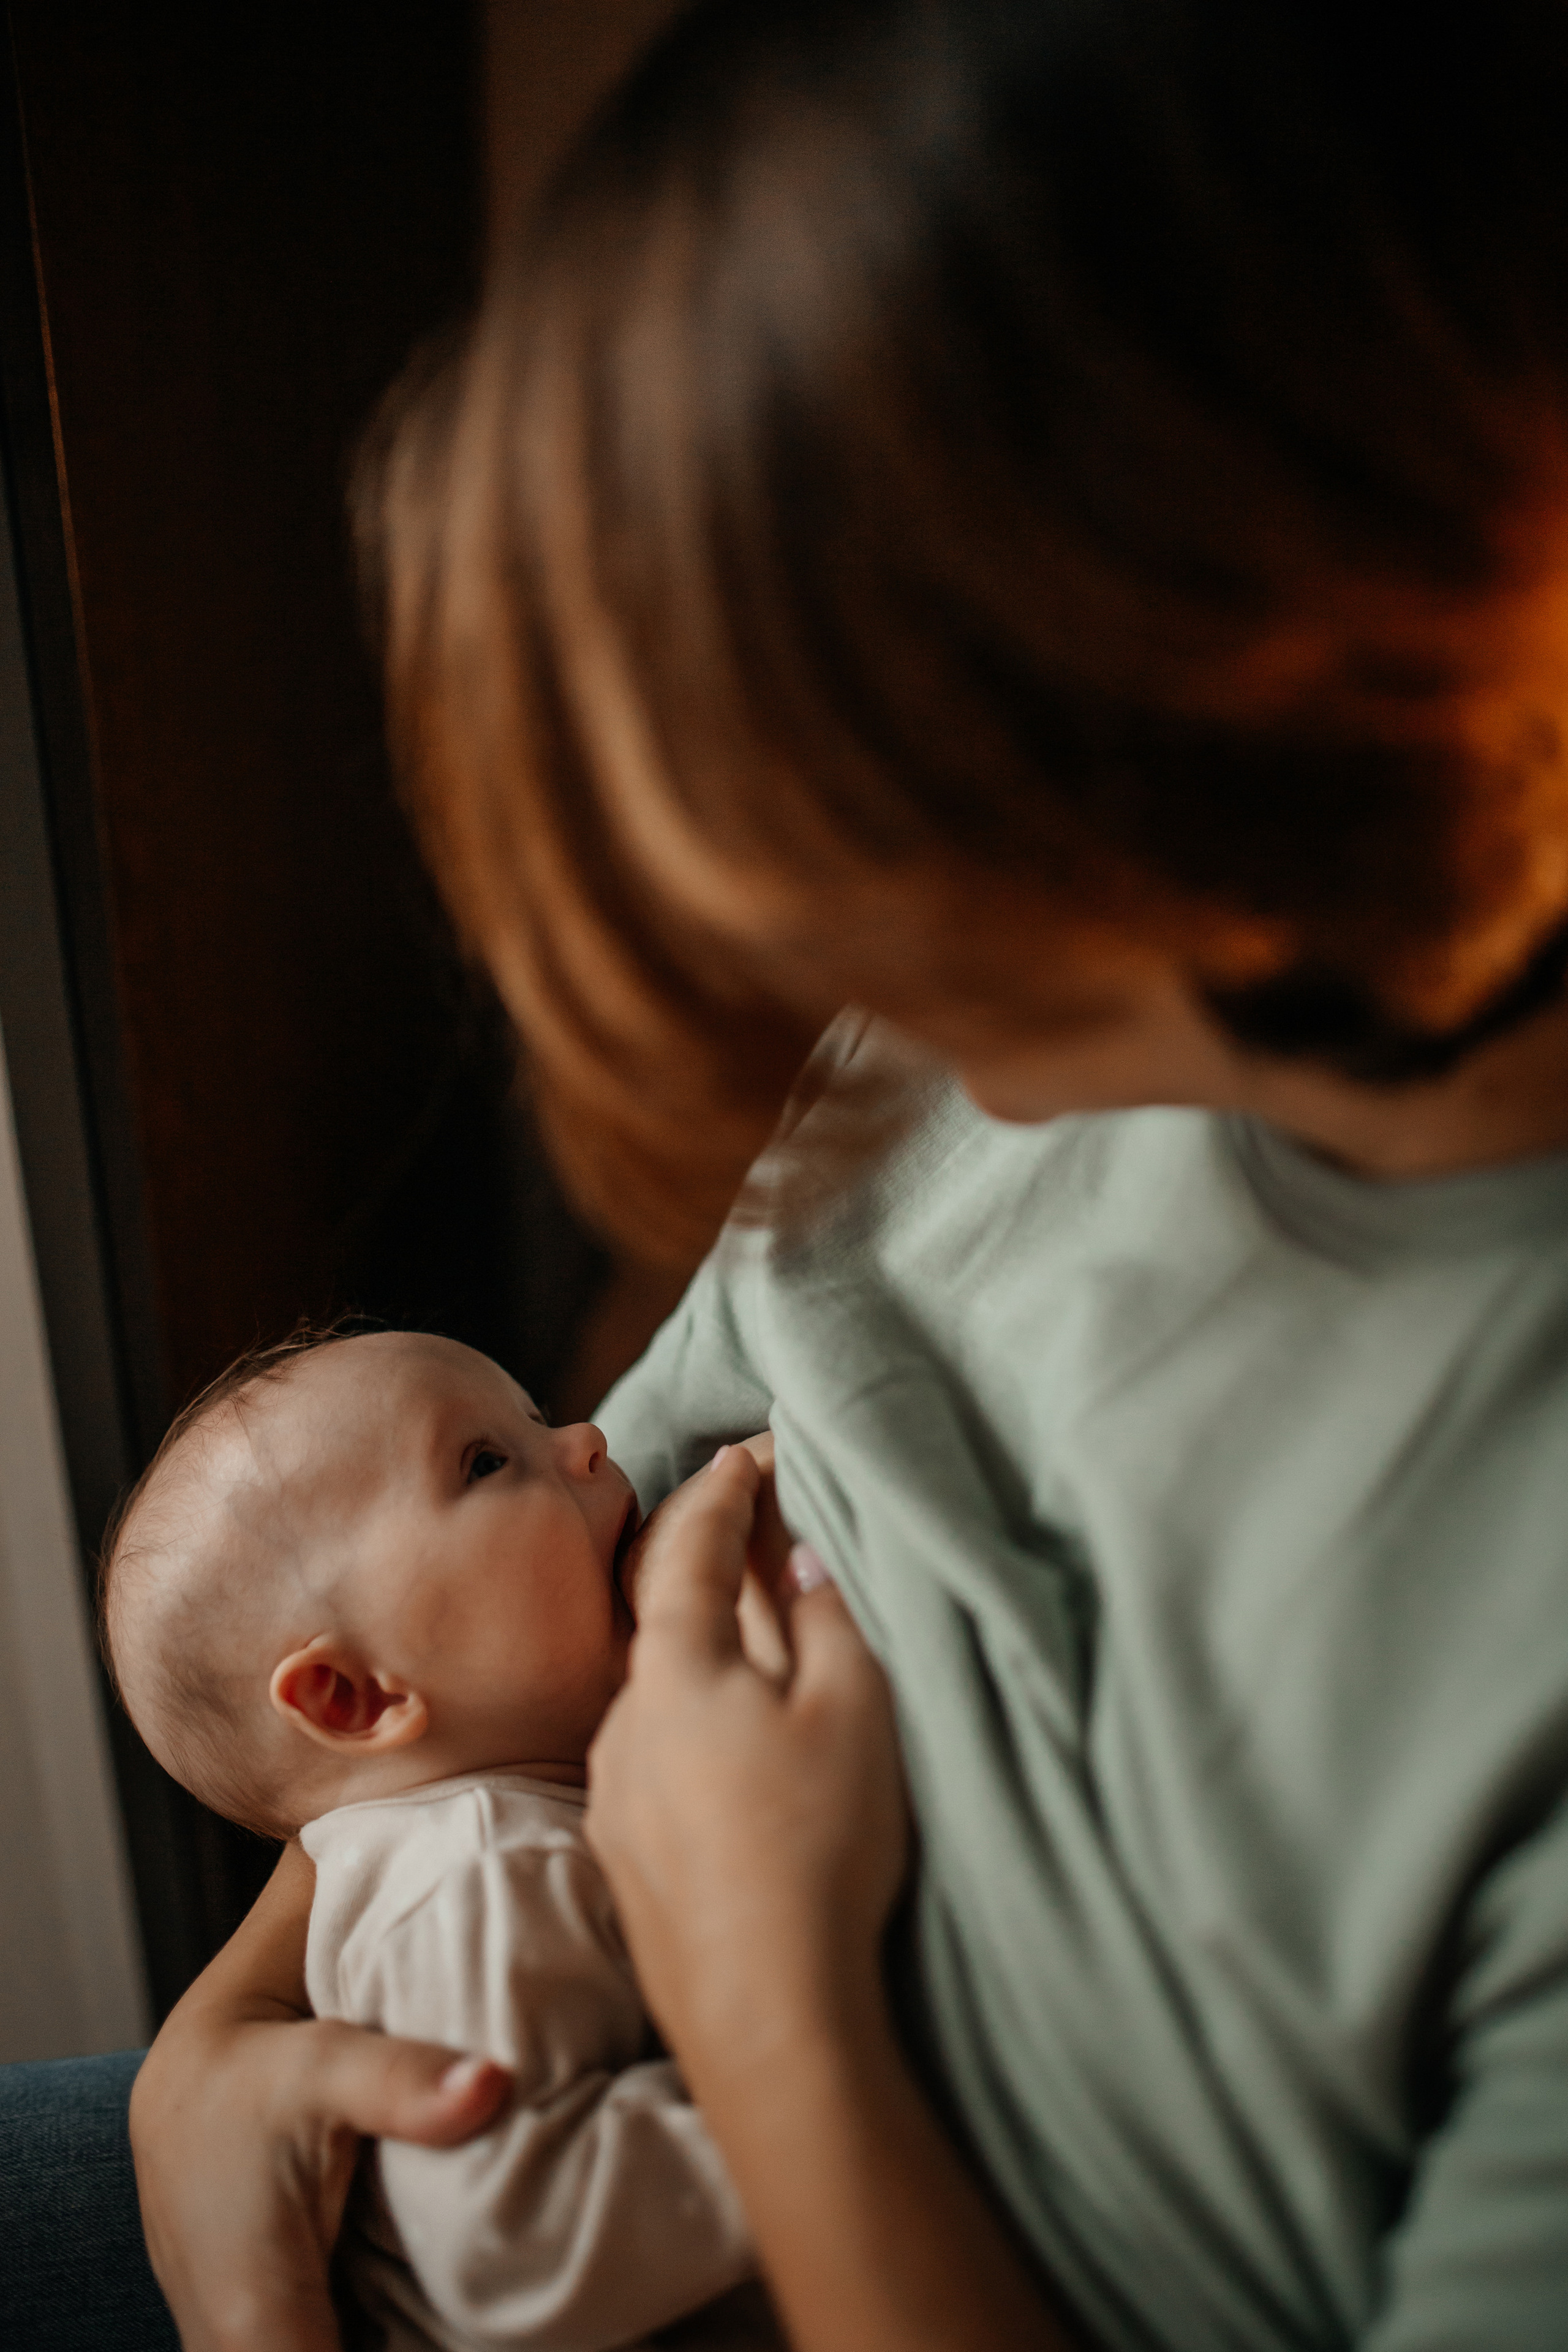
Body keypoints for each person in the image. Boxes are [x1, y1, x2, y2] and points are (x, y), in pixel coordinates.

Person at [6, 1, 1568, 2347]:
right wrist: (231, 2047)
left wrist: (760, 1990)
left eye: (805, 834)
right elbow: (464, 1646)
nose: (765, 951)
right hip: (476, 2106)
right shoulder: (977, 1029)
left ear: (1159, 706)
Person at [98, 1324, 786, 2352]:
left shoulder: (471, 1842)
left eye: (538, 1419)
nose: (592, 1440)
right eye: (484, 1462)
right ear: (356, 1695)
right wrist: (840, 2117)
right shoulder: (482, 1875)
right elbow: (525, 2253)